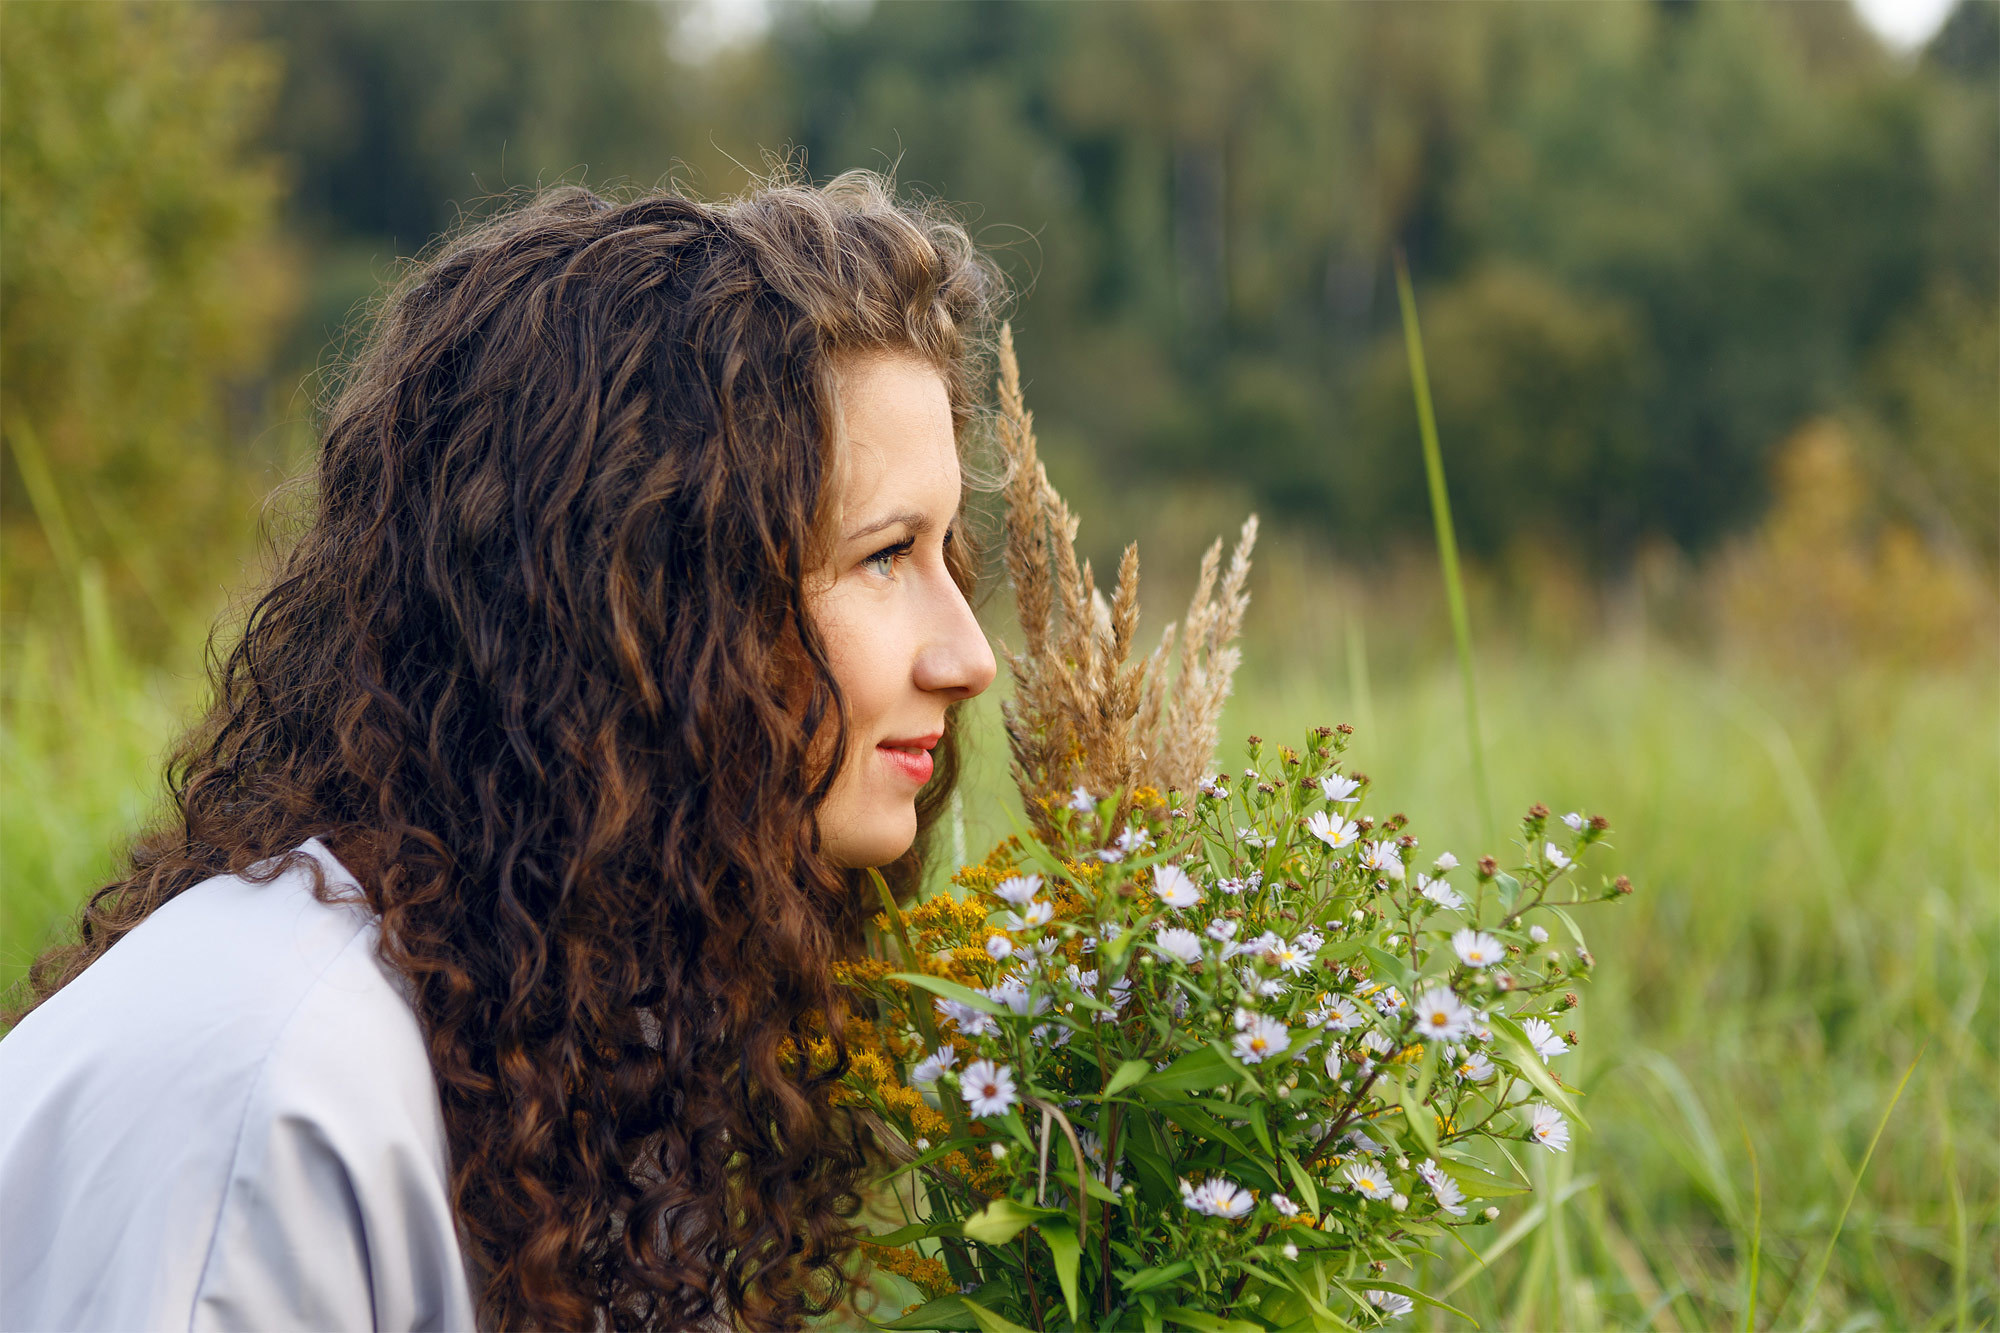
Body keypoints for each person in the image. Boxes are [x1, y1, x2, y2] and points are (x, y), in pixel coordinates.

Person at [0, 171, 1001, 1331]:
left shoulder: (556, 1022)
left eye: (946, 551)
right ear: (643, 601)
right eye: (883, 555)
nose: (967, 653)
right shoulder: (276, 1101)